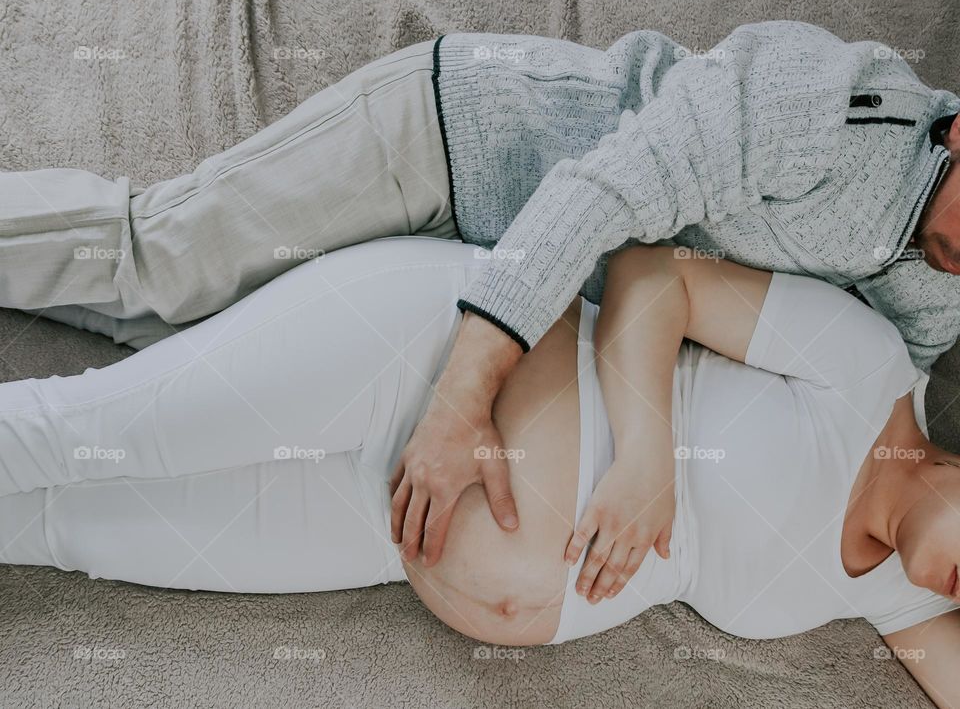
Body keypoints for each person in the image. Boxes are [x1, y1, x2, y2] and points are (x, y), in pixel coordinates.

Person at [4, 21, 960, 591]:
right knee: (160, 271)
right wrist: (462, 401)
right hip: (455, 150)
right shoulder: (829, 106)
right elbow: (602, 196)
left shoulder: (937, 303)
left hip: (486, 288)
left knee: (187, 348)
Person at [0, 236, 958, 706]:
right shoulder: (867, 371)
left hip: (388, 532)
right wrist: (648, 459)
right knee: (77, 433)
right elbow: (654, 275)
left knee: (67, 534)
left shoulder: (908, 602)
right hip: (419, 364)